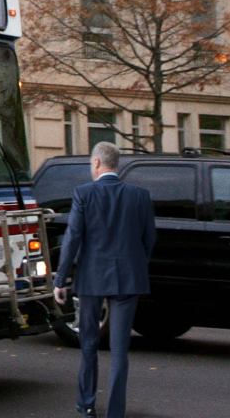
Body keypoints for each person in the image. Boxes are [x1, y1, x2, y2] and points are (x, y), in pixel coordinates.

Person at [54, 141, 156, 418]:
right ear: (117, 163)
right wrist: (135, 265)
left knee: (88, 343)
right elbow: (149, 239)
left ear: (97, 163)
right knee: (120, 349)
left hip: (92, 279)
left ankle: (87, 404)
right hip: (129, 278)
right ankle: (115, 412)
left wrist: (60, 279)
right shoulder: (140, 196)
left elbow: (73, 238)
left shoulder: (83, 194)